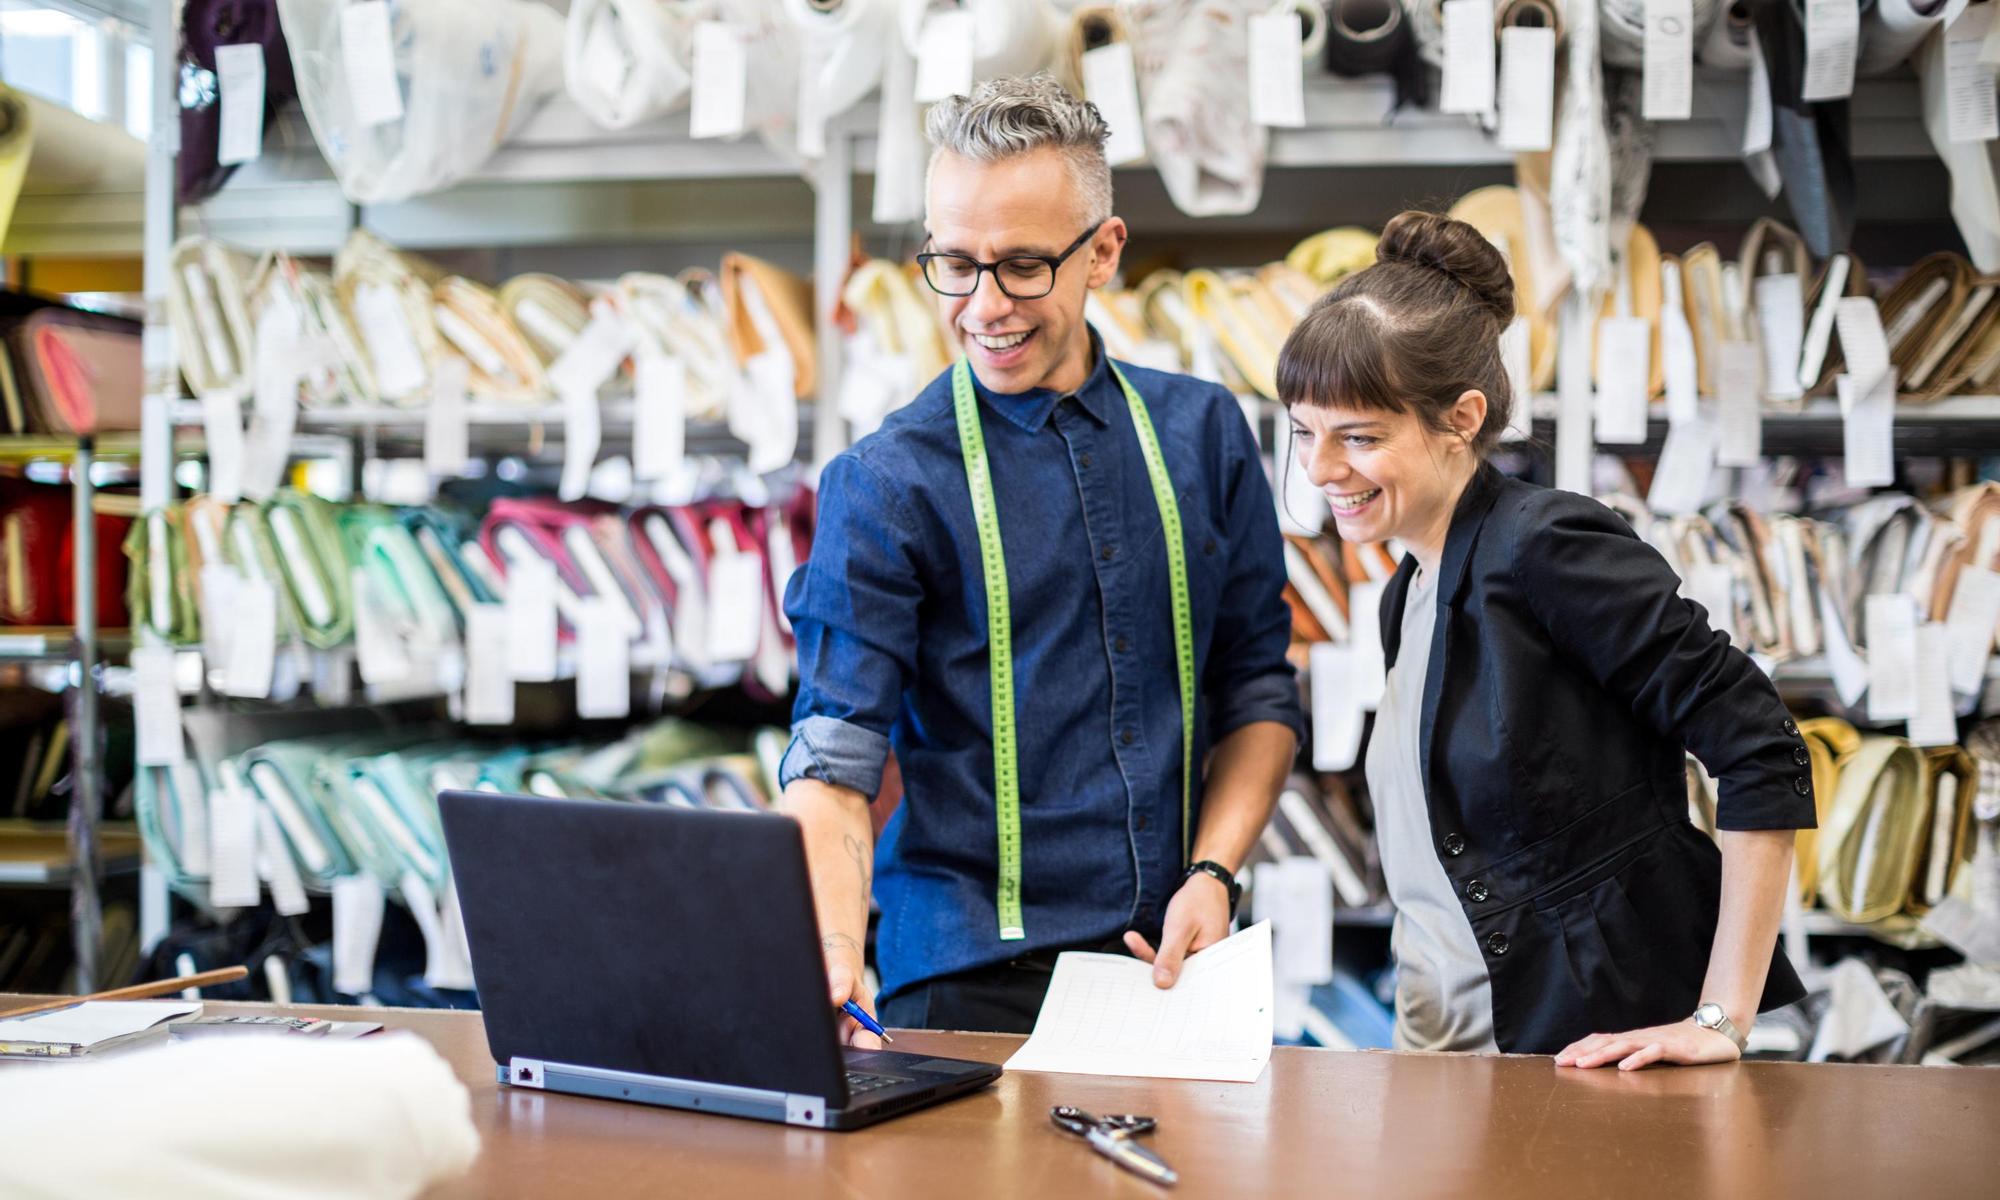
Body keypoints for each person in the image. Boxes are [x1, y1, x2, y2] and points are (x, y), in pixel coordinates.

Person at [778, 76, 1302, 1043]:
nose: (983, 306)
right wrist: (834, 950)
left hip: (1175, 966)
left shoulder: (1203, 432)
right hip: (967, 979)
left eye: (1021, 266)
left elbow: (1258, 691)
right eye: (953, 263)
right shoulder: (885, 481)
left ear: (1102, 252)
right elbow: (835, 757)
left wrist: (1214, 872)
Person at [1275, 211, 1815, 1068]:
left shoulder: (1544, 546)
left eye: (1360, 437)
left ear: (1462, 417)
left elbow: (1760, 743)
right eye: (1305, 432)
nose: (1319, 468)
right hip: (1441, 1056)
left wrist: (1721, 1018)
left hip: (1575, 1056)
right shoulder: (1406, 590)